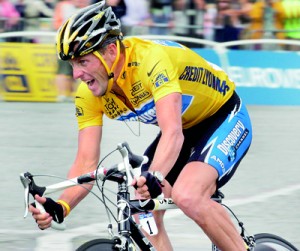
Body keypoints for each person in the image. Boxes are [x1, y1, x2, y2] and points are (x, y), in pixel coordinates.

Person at [29, 2, 253, 250]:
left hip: (222, 116)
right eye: (71, 64)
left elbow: (172, 133)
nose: (76, 75)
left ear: (111, 51)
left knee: (188, 195)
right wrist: (62, 206)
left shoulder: (150, 61)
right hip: (186, 128)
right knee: (142, 210)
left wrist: (154, 176)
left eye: (82, 61)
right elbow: (85, 163)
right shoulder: (88, 94)